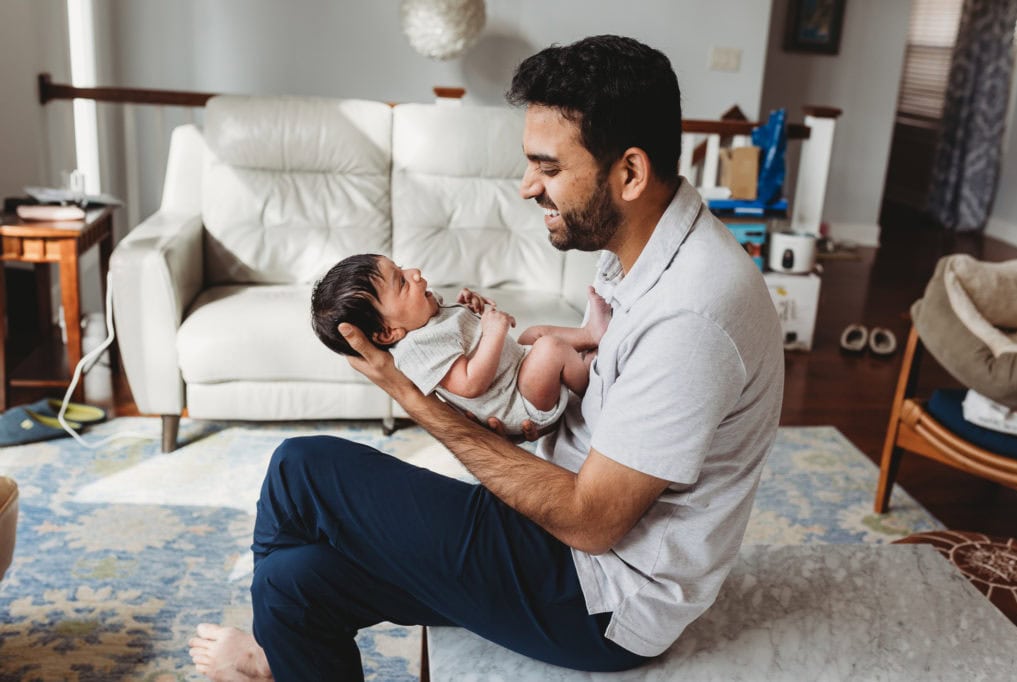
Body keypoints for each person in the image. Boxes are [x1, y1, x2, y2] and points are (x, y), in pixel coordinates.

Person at [189, 34, 784, 681]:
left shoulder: (691, 315)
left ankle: (271, 654)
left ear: (631, 173)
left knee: (301, 468)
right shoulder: (645, 253)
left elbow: (591, 523)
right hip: (559, 542)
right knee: (291, 586)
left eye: (548, 168)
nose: (528, 187)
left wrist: (412, 397)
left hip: (597, 596)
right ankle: (276, 652)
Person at [309, 253, 611, 435]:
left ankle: (590, 335)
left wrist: (474, 308)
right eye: (401, 282)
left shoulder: (424, 317)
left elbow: (462, 332)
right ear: (389, 334)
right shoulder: (417, 350)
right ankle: (592, 389)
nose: (413, 273)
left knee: (536, 333)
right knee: (548, 349)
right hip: (518, 404)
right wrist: (493, 333)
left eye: (401, 268)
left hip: (517, 372)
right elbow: (469, 384)